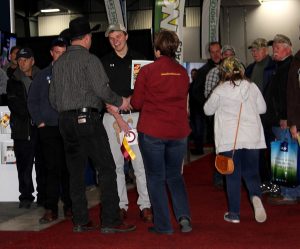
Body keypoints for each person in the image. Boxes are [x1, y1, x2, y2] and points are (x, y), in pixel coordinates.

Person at [49, 17, 135, 233]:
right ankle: (110, 220)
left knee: (75, 172)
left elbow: (53, 99)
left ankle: (80, 220)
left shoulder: (58, 64)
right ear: (87, 38)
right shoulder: (90, 60)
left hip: (65, 121)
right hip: (87, 119)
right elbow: (103, 91)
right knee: (107, 168)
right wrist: (121, 101)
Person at [130, 30, 192, 234]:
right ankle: (184, 218)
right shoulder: (183, 72)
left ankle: (163, 225)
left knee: (155, 178)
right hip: (178, 131)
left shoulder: (147, 72)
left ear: (157, 50)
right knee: (175, 176)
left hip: (153, 131)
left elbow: (137, 102)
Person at [204, 57, 267, 224]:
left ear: (224, 73)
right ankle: (255, 197)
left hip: (229, 140)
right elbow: (262, 108)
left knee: (231, 176)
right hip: (252, 138)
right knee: (252, 173)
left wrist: (218, 90)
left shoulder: (221, 89)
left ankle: (234, 214)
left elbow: (207, 110)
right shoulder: (252, 87)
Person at [101, 23, 152, 223]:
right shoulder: (104, 62)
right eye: (111, 38)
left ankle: (145, 205)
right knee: (116, 164)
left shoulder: (141, 60)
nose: (116, 41)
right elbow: (101, 90)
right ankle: (120, 205)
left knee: (139, 163)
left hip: (136, 117)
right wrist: (116, 113)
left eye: (119, 36)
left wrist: (131, 101)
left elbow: (147, 89)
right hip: (112, 119)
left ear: (126, 36)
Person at [27, 37, 72, 224]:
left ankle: (71, 206)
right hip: (49, 129)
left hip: (69, 127)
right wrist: (39, 122)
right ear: (51, 53)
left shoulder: (73, 74)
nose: (60, 56)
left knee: (69, 169)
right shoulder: (42, 75)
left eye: (63, 52)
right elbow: (32, 100)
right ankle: (51, 208)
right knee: (51, 169)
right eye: (57, 52)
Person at [6, 47, 46, 209]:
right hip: (23, 128)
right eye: (20, 60)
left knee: (44, 164)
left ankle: (43, 195)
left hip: (42, 127)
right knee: (24, 165)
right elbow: (15, 104)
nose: (22, 63)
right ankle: (26, 196)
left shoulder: (43, 77)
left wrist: (40, 118)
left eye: (25, 60)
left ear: (32, 61)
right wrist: (34, 115)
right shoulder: (12, 80)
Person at [262, 34, 294, 205]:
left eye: (278, 47)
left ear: (288, 48)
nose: (274, 50)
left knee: (286, 156)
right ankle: (285, 190)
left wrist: (285, 117)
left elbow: (288, 95)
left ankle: (289, 193)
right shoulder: (279, 66)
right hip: (276, 120)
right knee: (282, 156)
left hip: (282, 121)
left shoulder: (289, 67)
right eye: (273, 47)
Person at [245, 38, 278, 195]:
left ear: (265, 50)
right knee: (257, 152)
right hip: (254, 117)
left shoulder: (274, 66)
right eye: (252, 50)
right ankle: (263, 181)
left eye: (257, 50)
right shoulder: (250, 69)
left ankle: (274, 183)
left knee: (273, 150)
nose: (254, 52)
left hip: (270, 117)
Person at [191, 41, 222, 148]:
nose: (216, 54)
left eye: (217, 51)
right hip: (211, 112)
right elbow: (195, 91)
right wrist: (208, 103)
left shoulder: (228, 67)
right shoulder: (202, 71)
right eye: (213, 52)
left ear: (221, 51)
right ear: (209, 54)